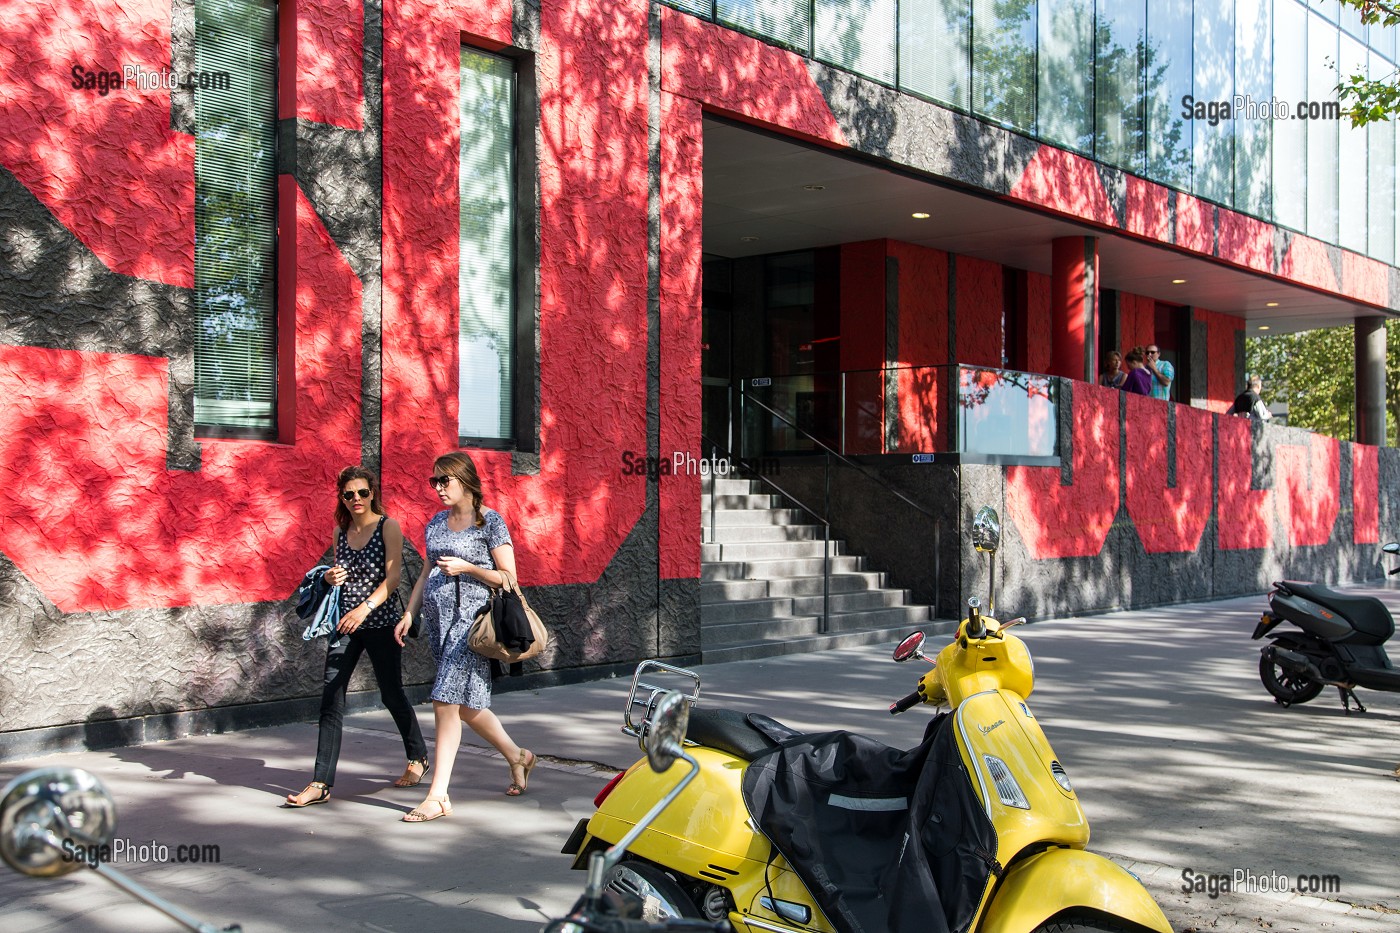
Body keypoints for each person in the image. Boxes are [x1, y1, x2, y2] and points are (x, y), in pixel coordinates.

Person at [398, 452, 536, 822]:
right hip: (439, 624)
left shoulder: (489, 522)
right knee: (468, 707)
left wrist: (469, 568)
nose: (438, 488)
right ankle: (519, 756)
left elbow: (509, 578)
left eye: (445, 481)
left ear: (466, 481)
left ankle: (438, 795)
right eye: (434, 482)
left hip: (472, 625)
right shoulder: (436, 523)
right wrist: (410, 613)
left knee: (444, 702)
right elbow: (425, 574)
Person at [285, 466, 429, 808]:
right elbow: (342, 577)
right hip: (344, 625)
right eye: (349, 495)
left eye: (362, 493)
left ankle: (418, 756)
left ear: (372, 493)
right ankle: (320, 782)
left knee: (392, 694)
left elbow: (393, 578)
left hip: (378, 622)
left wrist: (365, 609)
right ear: (342, 498)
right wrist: (331, 578)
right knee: (331, 697)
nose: (357, 500)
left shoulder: (387, 526)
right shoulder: (340, 532)